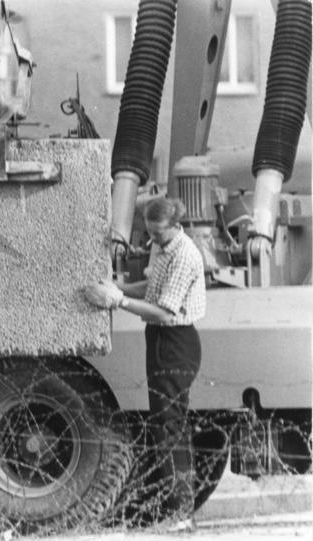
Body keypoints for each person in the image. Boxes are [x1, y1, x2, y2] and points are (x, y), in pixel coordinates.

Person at [84, 197, 205, 531]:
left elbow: (165, 310)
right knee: (163, 424)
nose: (153, 240)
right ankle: (171, 508)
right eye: (149, 233)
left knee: (170, 427)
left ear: (176, 226)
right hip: (160, 340)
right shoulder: (163, 247)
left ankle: (180, 514)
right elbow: (152, 290)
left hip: (176, 342)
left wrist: (119, 301)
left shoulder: (184, 255)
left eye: (159, 234)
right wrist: (119, 287)